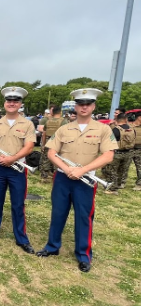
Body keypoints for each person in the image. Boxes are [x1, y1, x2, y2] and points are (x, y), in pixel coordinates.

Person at [36, 88, 117, 273]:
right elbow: (51, 152)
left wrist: (83, 170)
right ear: (76, 106)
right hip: (63, 178)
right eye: (81, 103)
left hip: (86, 180)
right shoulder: (64, 129)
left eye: (88, 103)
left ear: (93, 106)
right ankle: (52, 246)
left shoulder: (103, 129)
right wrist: (67, 169)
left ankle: (83, 255)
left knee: (84, 217)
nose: (84, 107)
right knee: (58, 213)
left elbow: (108, 156)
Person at [0, 87, 36, 254]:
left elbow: (30, 146)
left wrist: (12, 159)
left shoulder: (27, 124)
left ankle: (21, 238)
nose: (12, 103)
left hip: (17, 168)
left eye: (15, 101)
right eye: (9, 101)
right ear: (4, 103)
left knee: (18, 204)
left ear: (20, 104)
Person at [104, 112, 136, 194]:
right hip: (129, 152)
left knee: (112, 171)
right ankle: (119, 185)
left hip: (117, 153)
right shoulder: (132, 129)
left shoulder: (115, 129)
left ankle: (112, 189)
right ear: (126, 120)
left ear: (117, 120)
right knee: (122, 171)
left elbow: (110, 140)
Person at [39, 105, 69, 181]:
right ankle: (56, 176)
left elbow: (44, 133)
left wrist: (43, 144)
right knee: (57, 159)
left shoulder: (48, 121)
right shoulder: (64, 121)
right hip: (58, 142)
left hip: (48, 141)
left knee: (46, 159)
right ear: (60, 112)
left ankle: (44, 176)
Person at [128, 111, 141, 191]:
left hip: (139, 149)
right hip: (129, 149)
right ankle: (120, 183)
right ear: (139, 117)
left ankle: (139, 184)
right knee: (123, 167)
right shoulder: (129, 126)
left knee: (139, 167)